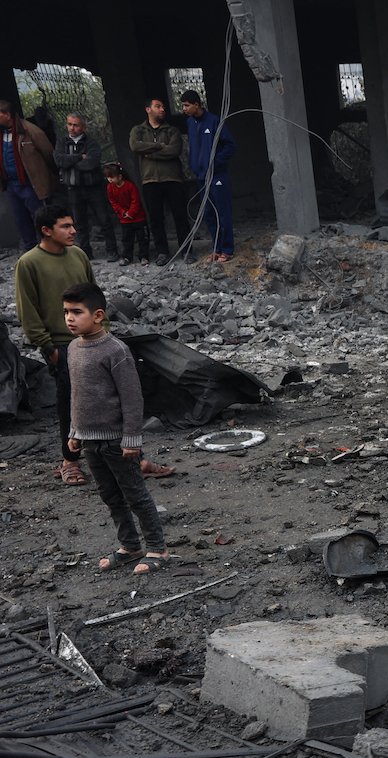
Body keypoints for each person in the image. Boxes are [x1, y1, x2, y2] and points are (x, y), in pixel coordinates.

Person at [63, 282, 173, 575]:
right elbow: (77, 394)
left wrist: (132, 438)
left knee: (135, 494)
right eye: (66, 312)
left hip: (117, 442)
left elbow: (132, 397)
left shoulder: (116, 351)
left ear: (98, 315)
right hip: (89, 442)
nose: (69, 318)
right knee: (110, 495)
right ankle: (129, 546)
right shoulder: (73, 348)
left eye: (77, 312)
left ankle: (157, 548)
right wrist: (74, 432)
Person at [16, 204, 94, 486]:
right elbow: (28, 310)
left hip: (92, 338)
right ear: (46, 231)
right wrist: (49, 348)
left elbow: (94, 295)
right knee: (69, 402)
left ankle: (128, 457)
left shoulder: (78, 255)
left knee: (109, 397)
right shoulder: (29, 263)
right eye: (65, 226)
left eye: (73, 225)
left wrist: (103, 330)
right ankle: (69, 461)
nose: (73, 231)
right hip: (61, 343)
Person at [128, 97, 188, 265]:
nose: (162, 109)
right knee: (155, 218)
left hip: (173, 178)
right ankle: (162, 252)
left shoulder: (172, 130)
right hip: (150, 180)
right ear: (148, 109)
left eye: (163, 107)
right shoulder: (138, 130)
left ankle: (186, 249)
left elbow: (174, 150)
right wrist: (160, 146)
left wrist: (149, 152)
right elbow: (135, 147)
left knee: (180, 216)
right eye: (158, 106)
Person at [0, 99, 55, 250]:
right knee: (20, 219)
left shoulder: (29, 131)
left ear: (7, 115)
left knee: (38, 217)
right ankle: (30, 249)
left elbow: (48, 154)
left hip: (29, 183)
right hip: (11, 184)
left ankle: (47, 248)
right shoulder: (0, 133)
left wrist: (46, 177)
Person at [180, 90, 236, 262]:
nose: (184, 109)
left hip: (217, 176)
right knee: (209, 213)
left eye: (187, 105)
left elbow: (230, 146)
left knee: (222, 212)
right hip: (201, 177)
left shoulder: (214, 121)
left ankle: (227, 249)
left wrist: (215, 162)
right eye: (183, 105)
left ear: (197, 104)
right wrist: (194, 166)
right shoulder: (190, 123)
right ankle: (217, 249)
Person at [53, 113, 118, 261]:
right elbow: (59, 160)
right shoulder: (62, 142)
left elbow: (91, 163)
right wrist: (79, 157)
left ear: (83, 127)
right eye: (69, 124)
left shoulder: (91, 143)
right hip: (73, 188)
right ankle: (85, 253)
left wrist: (71, 162)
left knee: (104, 220)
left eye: (75, 125)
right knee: (79, 222)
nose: (72, 128)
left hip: (93, 187)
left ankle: (112, 251)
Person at [104, 162, 150, 265]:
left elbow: (136, 201)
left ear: (120, 176)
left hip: (138, 218)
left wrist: (131, 212)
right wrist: (122, 212)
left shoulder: (130, 186)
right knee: (126, 239)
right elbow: (113, 202)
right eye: (108, 177)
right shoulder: (110, 187)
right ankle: (127, 257)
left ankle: (144, 256)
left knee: (142, 238)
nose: (110, 179)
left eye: (112, 177)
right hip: (124, 218)